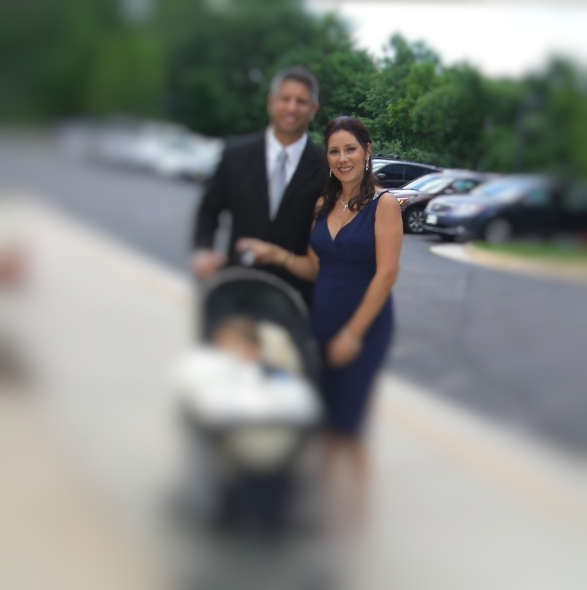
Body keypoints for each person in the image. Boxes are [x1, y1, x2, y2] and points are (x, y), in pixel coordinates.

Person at [236, 116, 403, 525]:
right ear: (327, 157)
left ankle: (356, 512)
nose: (343, 158)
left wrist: (353, 335)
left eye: (350, 149)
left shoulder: (384, 205)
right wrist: (274, 254)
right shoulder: (323, 205)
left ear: (366, 151)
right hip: (323, 320)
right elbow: (313, 268)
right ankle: (324, 504)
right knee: (323, 418)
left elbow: (386, 275)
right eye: (334, 151)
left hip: (364, 326)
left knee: (348, 422)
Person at [191, 65, 328, 303]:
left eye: (301, 101)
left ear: (313, 109)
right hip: (236, 285)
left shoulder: (326, 167)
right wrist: (204, 250)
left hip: (294, 298)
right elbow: (208, 211)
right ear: (271, 102)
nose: (292, 107)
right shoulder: (234, 155)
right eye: (285, 99)